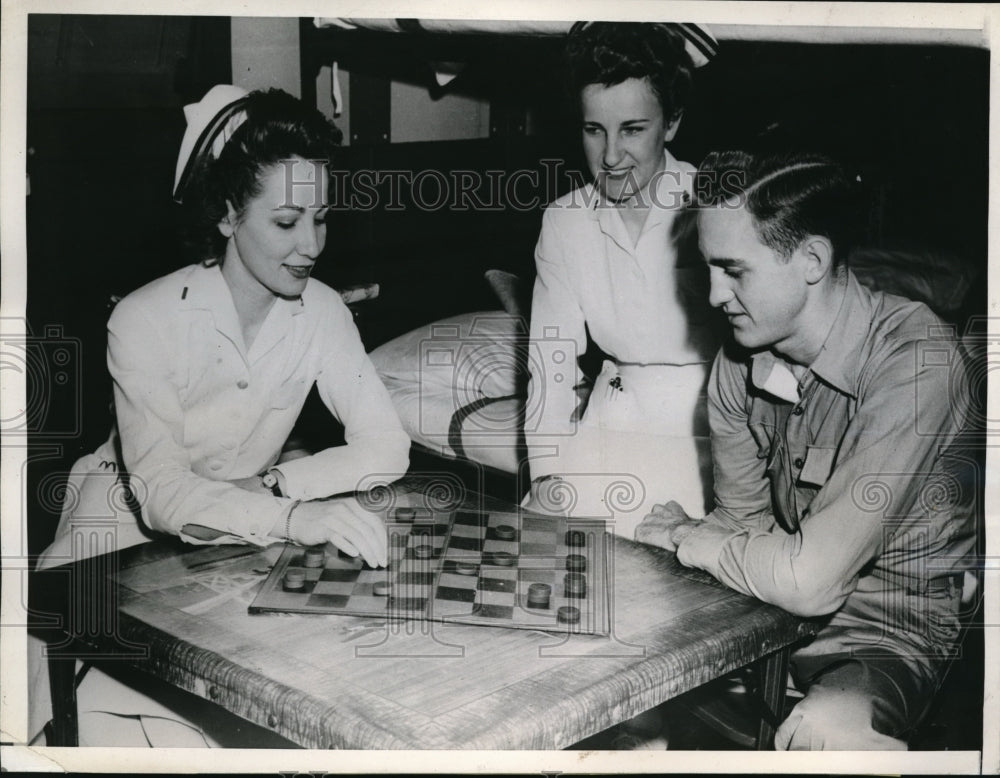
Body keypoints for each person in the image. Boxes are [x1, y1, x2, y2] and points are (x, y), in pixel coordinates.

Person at [30, 85, 411, 745]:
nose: (312, 244)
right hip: (119, 523)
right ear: (228, 214)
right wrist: (290, 516)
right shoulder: (143, 319)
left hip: (245, 520)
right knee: (106, 716)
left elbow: (386, 447)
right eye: (287, 222)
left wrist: (279, 487)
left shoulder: (322, 312)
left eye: (322, 218)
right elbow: (165, 497)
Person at [636, 150, 978, 749]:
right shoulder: (738, 362)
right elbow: (743, 522)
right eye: (707, 268)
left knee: (825, 733)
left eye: (733, 270)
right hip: (770, 608)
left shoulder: (916, 361)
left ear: (812, 259)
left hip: (889, 630)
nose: (714, 295)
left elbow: (812, 583)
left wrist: (691, 537)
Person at [524, 22, 720, 538]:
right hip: (612, 419)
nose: (610, 157)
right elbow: (551, 364)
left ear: (671, 122)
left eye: (632, 129)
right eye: (594, 130)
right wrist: (547, 471)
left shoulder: (715, 206)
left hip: (708, 432)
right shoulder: (564, 222)